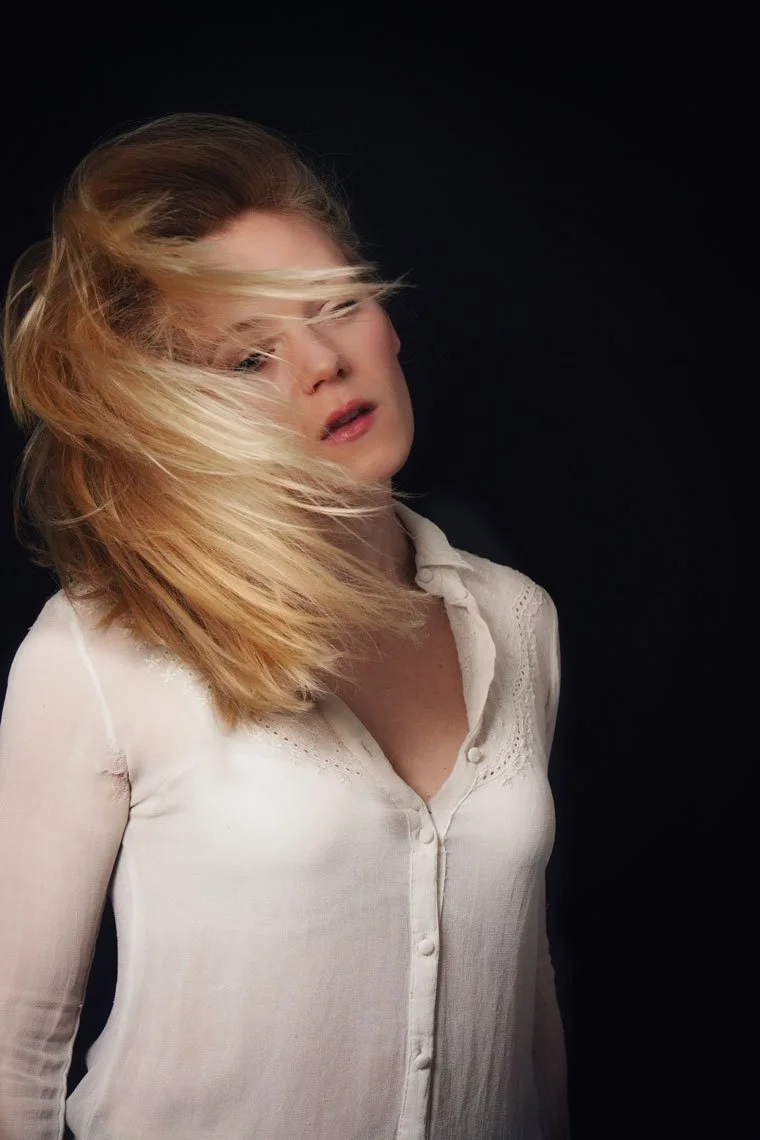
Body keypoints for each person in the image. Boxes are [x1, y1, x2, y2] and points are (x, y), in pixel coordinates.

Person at [0, 112, 570, 1140]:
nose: (321, 362)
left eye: (336, 304)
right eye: (247, 359)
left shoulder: (516, 618)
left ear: (387, 320)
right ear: (185, 415)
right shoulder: (96, 650)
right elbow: (15, 1052)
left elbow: (523, 999)